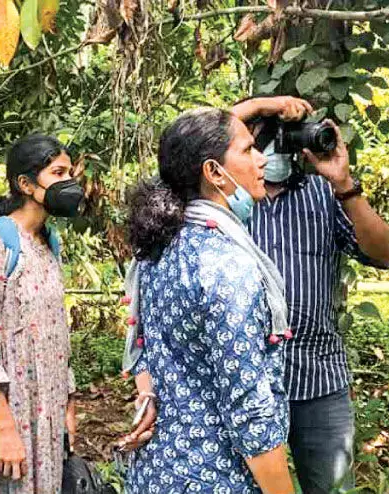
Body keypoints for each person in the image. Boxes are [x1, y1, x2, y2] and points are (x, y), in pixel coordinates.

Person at [121, 108, 294, 493]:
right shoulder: (227, 264)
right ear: (214, 172)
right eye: (248, 150)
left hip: (160, 471)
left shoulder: (157, 249)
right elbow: (247, 403)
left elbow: (146, 352)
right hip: (215, 475)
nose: (261, 159)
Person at [233, 96, 389, 493]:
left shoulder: (321, 194)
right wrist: (258, 105)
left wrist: (343, 183)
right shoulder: (224, 200)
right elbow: (192, 145)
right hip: (246, 382)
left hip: (317, 380)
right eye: (261, 138)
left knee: (333, 488)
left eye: (282, 137)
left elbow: (384, 253)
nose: (271, 150)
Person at [0, 134, 82, 493]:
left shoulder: (48, 242)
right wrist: (6, 430)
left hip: (47, 412)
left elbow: (56, 335)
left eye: (69, 172)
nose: (68, 182)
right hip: (9, 416)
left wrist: (67, 407)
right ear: (25, 184)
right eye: (57, 172)